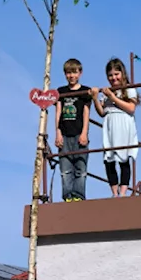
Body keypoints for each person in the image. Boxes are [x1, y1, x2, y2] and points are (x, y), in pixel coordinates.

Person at [92, 57, 141, 197]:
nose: (113, 78)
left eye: (116, 74)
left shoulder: (129, 90)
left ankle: (124, 192)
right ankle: (114, 192)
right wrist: (95, 98)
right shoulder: (106, 94)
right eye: (110, 75)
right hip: (110, 127)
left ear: (122, 73)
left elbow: (131, 108)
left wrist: (113, 97)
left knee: (124, 158)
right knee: (109, 159)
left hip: (124, 127)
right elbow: (102, 112)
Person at [54, 58, 92, 201]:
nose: (71, 76)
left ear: (80, 73)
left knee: (80, 169)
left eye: (74, 72)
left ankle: (78, 195)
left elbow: (86, 113)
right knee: (65, 170)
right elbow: (58, 113)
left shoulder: (84, 91)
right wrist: (57, 133)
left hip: (79, 134)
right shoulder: (61, 92)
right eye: (68, 73)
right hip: (64, 134)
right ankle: (67, 196)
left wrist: (84, 133)